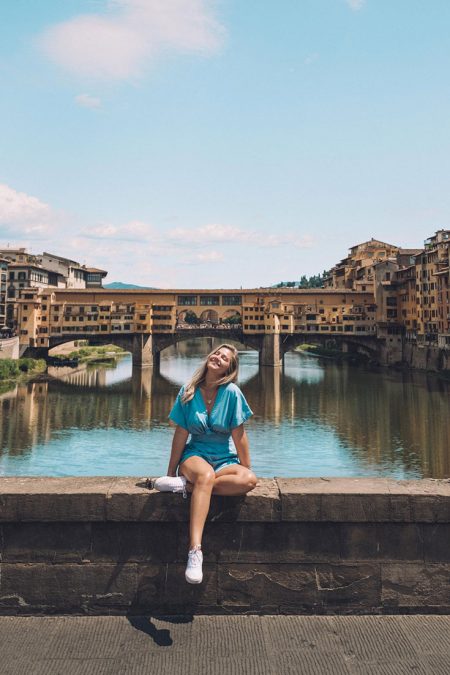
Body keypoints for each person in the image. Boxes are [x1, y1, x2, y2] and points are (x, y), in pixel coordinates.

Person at [154, 343, 257, 584]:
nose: (218, 358)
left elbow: (239, 436)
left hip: (224, 458)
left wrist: (246, 468)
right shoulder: (188, 391)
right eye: (217, 354)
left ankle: (186, 487)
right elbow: (181, 434)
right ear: (209, 358)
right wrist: (170, 471)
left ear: (228, 370)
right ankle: (195, 551)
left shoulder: (232, 393)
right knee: (206, 475)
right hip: (195, 456)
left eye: (225, 359)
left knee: (249, 480)